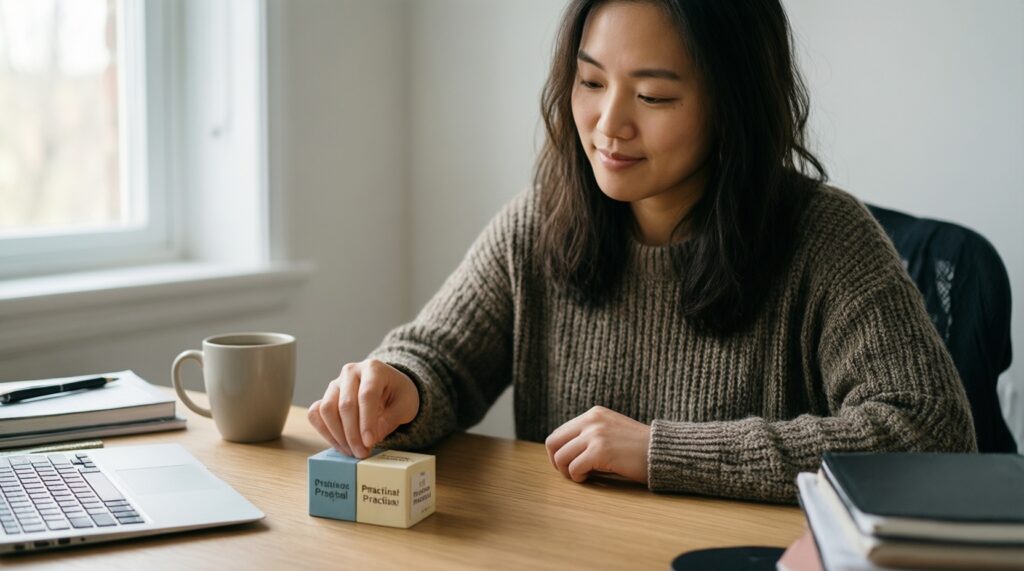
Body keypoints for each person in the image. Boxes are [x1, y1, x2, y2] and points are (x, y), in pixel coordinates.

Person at [308, 0, 976, 503]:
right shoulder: (543, 219)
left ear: (733, 104)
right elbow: (440, 361)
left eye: (653, 95)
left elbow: (930, 435)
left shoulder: (826, 238)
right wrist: (399, 384)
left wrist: (662, 450)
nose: (609, 126)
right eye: (591, 82)